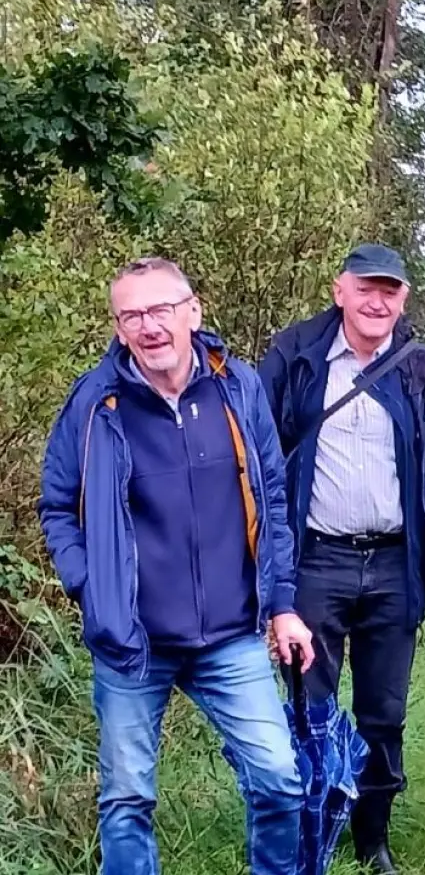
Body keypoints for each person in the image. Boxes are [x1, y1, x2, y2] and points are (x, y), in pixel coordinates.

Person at [38, 257, 316, 875]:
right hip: (132, 642)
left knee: (278, 779)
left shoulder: (237, 388)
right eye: (131, 315)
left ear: (193, 311)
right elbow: (58, 504)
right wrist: (91, 587)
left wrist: (283, 605)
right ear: (119, 326)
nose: (148, 326)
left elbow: (270, 498)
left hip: (231, 636)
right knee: (127, 799)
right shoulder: (95, 402)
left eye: (160, 309)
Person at [258, 242, 425, 874]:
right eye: (365, 288)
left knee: (385, 712)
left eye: (390, 291)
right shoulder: (295, 356)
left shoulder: (423, 367)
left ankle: (373, 839)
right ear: (339, 290)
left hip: (394, 566)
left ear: (403, 300)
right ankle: (308, 832)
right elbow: (265, 457)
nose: (378, 301)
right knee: (305, 705)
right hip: (316, 560)